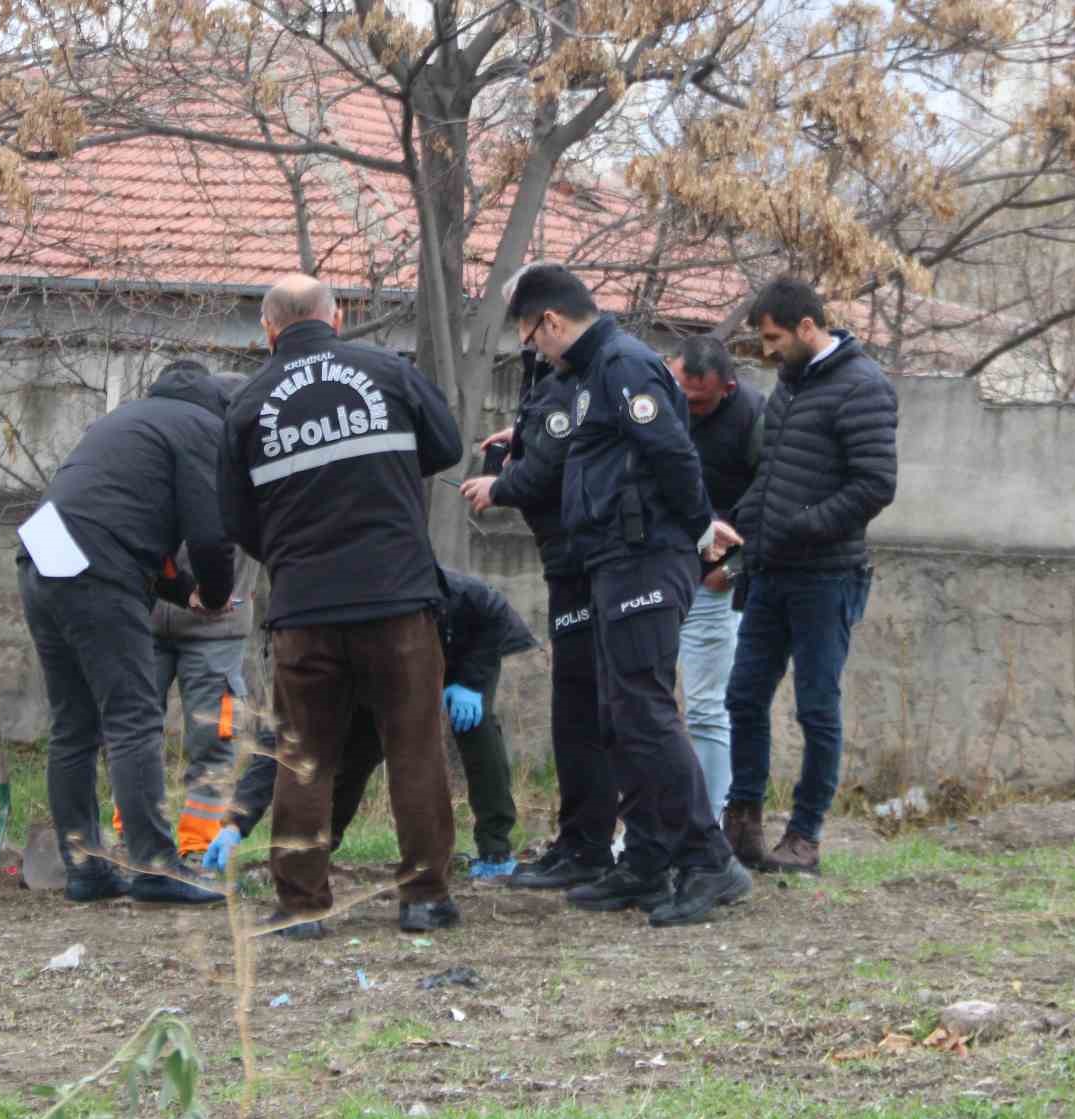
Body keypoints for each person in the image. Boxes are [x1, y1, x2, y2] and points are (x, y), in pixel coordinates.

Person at [504, 263, 752, 927]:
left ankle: (708, 857)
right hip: (612, 557)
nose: (536, 350)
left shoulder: (623, 366)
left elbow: (674, 456)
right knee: (621, 712)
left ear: (550, 321)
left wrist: (701, 531)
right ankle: (645, 856)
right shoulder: (590, 375)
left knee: (643, 710)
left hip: (646, 556)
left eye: (532, 337)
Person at [218, 273, 464, 940]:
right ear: (339, 315)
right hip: (398, 599)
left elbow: (235, 520)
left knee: (306, 756)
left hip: (304, 610)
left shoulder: (246, 405)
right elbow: (447, 447)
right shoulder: (390, 371)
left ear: (268, 329)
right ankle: (423, 898)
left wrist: (298, 555)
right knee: (412, 746)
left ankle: (301, 906)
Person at [17, 355, 236, 905]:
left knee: (74, 725)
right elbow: (211, 536)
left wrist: (181, 590)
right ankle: (157, 868)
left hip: (41, 557)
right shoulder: (205, 429)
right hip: (95, 569)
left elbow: (122, 519)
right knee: (135, 718)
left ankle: (85, 869)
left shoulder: (129, 420)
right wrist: (210, 594)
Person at [715, 277, 898, 875]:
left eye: (773, 337)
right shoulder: (792, 384)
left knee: (817, 707)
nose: (766, 351)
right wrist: (742, 531)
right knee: (742, 696)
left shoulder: (862, 386)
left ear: (807, 328)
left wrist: (802, 526)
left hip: (828, 575)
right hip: (770, 571)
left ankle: (805, 835)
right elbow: (772, 474)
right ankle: (741, 824)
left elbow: (875, 485)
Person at [203, 568, 537, 878]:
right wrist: (236, 822)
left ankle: (495, 849)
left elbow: (493, 617)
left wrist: (471, 681)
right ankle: (317, 848)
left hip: (463, 649)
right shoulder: (328, 645)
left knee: (474, 730)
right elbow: (282, 735)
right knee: (359, 751)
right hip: (385, 667)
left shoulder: (454, 594)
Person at [460, 343, 618, 890]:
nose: (526, 338)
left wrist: (499, 485)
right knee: (573, 705)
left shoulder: (580, 376)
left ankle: (593, 844)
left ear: (547, 320)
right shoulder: (551, 379)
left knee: (585, 708)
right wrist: (521, 441)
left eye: (528, 325)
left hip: (582, 560)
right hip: (565, 558)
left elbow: (555, 469)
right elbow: (557, 449)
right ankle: (579, 839)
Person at [105, 364, 262, 859]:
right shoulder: (172, 446)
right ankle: (134, 835)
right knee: (133, 732)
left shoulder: (256, 466)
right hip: (148, 618)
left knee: (213, 739)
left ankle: (198, 847)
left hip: (219, 629)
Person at [667, 334, 764, 821]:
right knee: (649, 707)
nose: (689, 408)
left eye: (700, 401)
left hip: (713, 581)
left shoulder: (753, 417)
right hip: (658, 573)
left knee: (707, 708)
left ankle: (709, 823)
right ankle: (660, 818)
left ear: (726, 387)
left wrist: (734, 567)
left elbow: (775, 495)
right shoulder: (654, 402)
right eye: (681, 395)